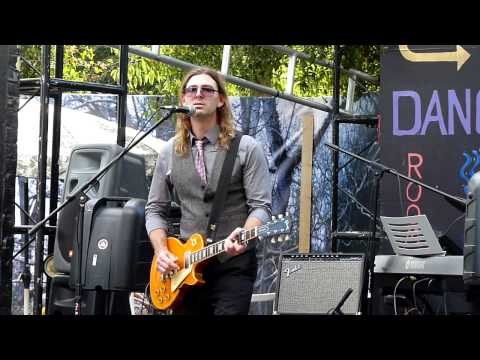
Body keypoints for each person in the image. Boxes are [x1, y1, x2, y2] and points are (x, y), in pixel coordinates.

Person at [145, 67, 272, 315]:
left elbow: (262, 207)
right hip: (185, 268)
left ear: (221, 99)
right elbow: (154, 210)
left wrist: (245, 236)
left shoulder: (246, 147)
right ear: (183, 99)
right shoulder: (169, 152)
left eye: (206, 89)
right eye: (192, 90)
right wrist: (161, 251)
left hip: (232, 264)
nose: (198, 94)